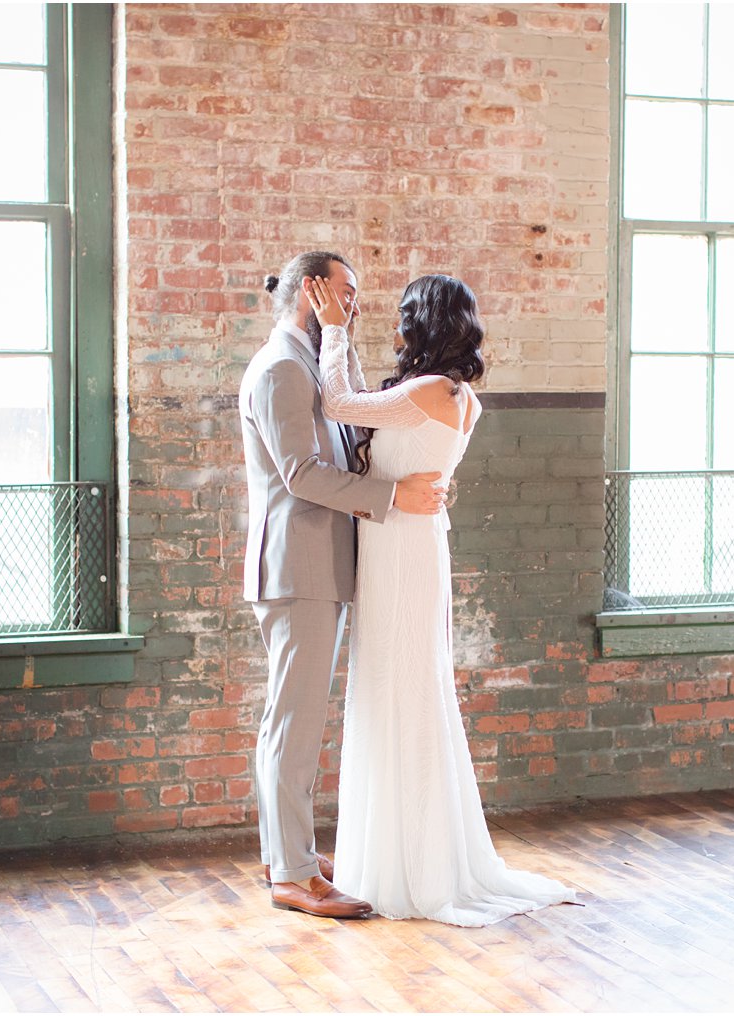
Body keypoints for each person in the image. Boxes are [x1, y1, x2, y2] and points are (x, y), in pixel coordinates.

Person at [305, 272, 577, 927]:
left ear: (424, 324)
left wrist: (336, 329)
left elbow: (338, 404)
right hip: (413, 541)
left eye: (403, 317)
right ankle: (404, 851)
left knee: (398, 689)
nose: (396, 326)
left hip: (401, 548)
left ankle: (412, 865)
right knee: (406, 689)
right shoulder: (459, 397)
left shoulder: (427, 391)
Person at [238, 250, 448, 920]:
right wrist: (391, 497)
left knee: (291, 722)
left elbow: (354, 421)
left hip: (317, 565)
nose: (355, 301)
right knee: (293, 725)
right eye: (345, 290)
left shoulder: (308, 359)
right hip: (297, 568)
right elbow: (300, 474)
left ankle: (286, 852)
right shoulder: (278, 368)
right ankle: (294, 875)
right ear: (312, 287)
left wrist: (340, 338)